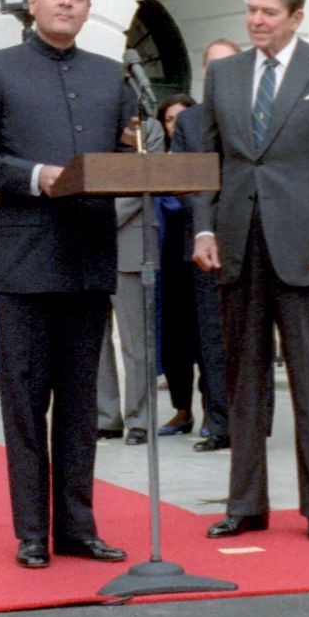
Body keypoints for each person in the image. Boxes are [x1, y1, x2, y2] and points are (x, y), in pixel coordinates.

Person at [0, 0, 134, 570]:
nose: (67, 3)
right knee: (26, 402)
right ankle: (31, 531)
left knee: (81, 405)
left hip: (88, 261)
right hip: (25, 262)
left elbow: (129, 162)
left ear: (87, 8)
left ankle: (77, 528)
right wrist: (32, 176)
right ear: (34, 2)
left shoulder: (113, 78)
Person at [192, 0, 309, 543]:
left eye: (269, 11)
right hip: (237, 246)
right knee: (243, 382)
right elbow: (207, 164)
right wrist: (203, 230)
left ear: (296, 17)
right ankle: (246, 505)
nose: (256, 20)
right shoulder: (223, 74)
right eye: (252, 9)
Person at [168, 39, 238, 453]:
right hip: (204, 243)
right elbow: (180, 180)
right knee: (211, 339)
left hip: (253, 240)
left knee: (250, 339)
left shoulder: (259, 111)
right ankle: (219, 423)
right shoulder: (190, 123)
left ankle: (253, 422)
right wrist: (211, 219)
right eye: (214, 68)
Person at [99, 114, 166, 444]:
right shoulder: (95, 122)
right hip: (90, 247)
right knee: (96, 342)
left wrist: (100, 218)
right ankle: (105, 417)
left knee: (136, 343)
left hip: (130, 243)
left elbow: (148, 176)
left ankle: (140, 419)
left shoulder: (148, 127)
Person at [151, 93, 201, 439]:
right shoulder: (158, 160)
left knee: (204, 334)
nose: (176, 125)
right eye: (170, 119)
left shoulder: (204, 158)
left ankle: (215, 409)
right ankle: (182, 410)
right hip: (167, 252)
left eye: (183, 118)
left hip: (200, 247)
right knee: (172, 335)